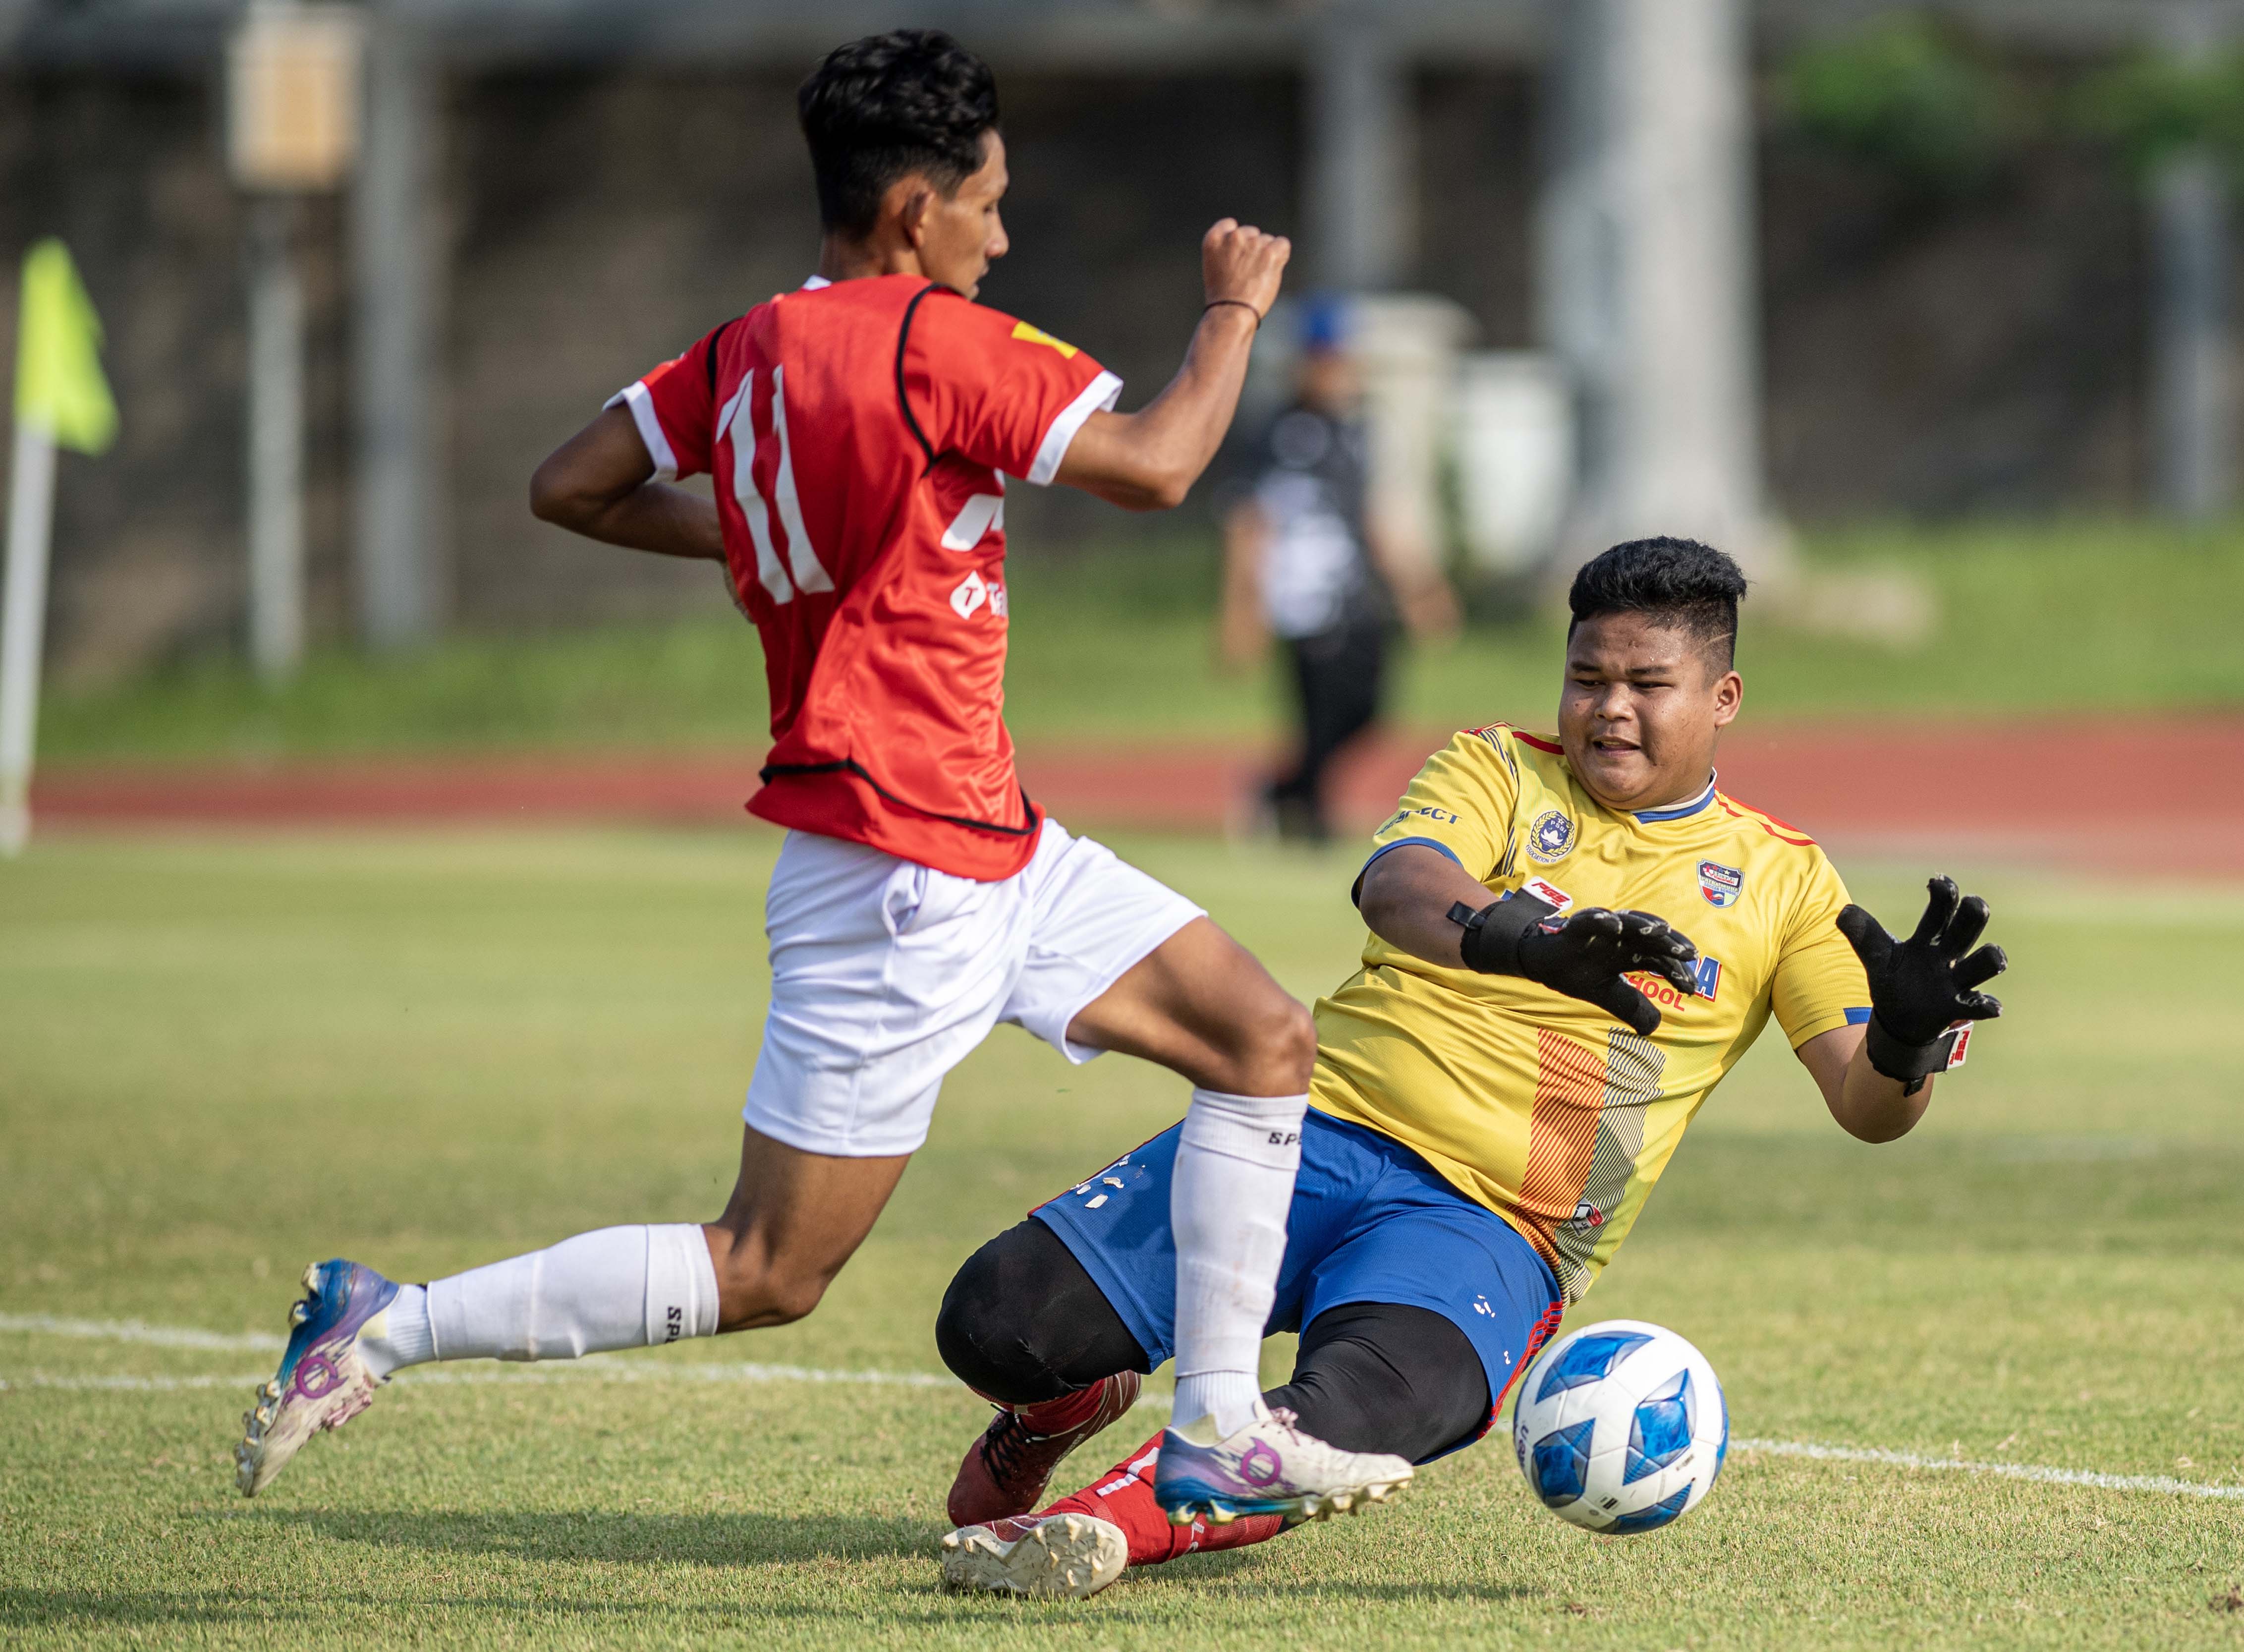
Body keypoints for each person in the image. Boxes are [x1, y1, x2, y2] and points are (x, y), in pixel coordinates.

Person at [230, 28, 1413, 1522]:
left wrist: (777, 539)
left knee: (1257, 1037)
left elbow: (569, 484)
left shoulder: (745, 347)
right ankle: (382, 1318)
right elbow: (1164, 459)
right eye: (988, 201)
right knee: (769, 1269)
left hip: (986, 840)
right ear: (916, 207)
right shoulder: (941, 341)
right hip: (898, 869)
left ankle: (1217, 1425)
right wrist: (1233, 313)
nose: (1003, 230)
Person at [930, 538, 2009, 1598]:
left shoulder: (1783, 881)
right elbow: (1399, 883)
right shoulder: (1496, 767)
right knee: (995, 1321)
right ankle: (1062, 1408)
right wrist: (1527, 941)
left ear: (1723, 696)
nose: (1609, 708)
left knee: (1375, 1402)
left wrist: (1905, 1041)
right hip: (1310, 1132)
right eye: (1587, 677)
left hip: (1499, 1225)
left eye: (1647, 683)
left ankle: (1099, 1526)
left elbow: (1867, 1107)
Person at [1217, 298, 1459, 841]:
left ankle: (1280, 790)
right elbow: (1247, 522)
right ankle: (1309, 821)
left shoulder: (1358, 431)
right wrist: (1241, 608)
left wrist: (1421, 591)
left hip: (1357, 598)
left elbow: (1375, 515)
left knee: (1369, 710)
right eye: (1322, 362)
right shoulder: (1270, 434)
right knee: (1318, 716)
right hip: (1300, 602)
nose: (1334, 374)